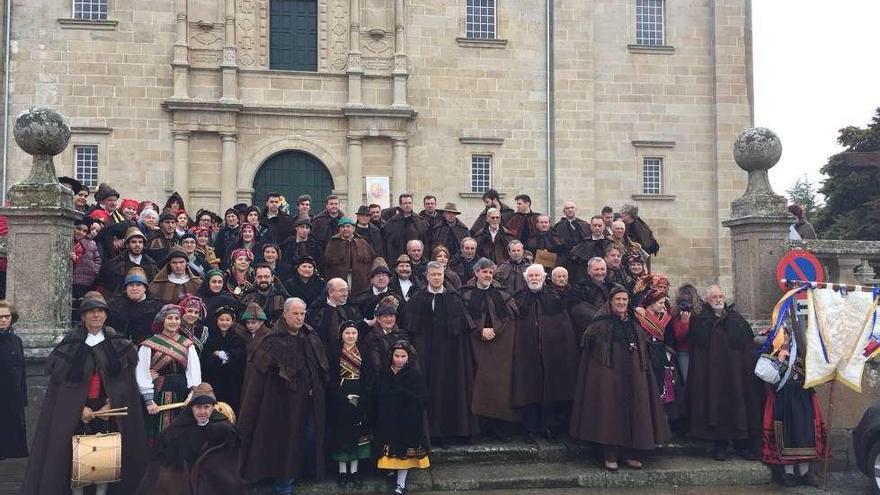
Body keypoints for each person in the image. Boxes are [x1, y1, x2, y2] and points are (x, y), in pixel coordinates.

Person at [22, 292, 149, 494]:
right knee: (74, 457)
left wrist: (111, 404)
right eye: (90, 312)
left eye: (99, 311)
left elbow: (125, 384)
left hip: (109, 411)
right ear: (83, 317)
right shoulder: (70, 344)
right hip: (77, 411)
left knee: (108, 456)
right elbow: (61, 386)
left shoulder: (119, 343)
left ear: (106, 315)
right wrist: (78, 408)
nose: (95, 316)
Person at [569, 286, 670, 471]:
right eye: (618, 300)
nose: (622, 303)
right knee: (610, 413)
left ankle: (627, 453)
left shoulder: (633, 323)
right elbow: (593, 355)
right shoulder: (599, 325)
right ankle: (610, 454)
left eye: (625, 300)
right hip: (608, 378)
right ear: (611, 302)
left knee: (633, 411)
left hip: (633, 376)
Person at [238, 298, 329, 495]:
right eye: (295, 313)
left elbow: (319, 368)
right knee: (282, 442)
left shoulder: (310, 336)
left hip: (308, 403)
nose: (299, 317)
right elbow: (258, 380)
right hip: (279, 406)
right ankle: (282, 485)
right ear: (285, 314)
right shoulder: (270, 341)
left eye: (302, 313)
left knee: (307, 439)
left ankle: (297, 476)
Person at [686, 285, 764, 461]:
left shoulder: (736, 319)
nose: (718, 299)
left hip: (736, 374)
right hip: (712, 376)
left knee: (739, 405)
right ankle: (720, 445)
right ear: (707, 299)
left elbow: (747, 342)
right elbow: (697, 346)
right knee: (716, 406)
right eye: (714, 296)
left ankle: (741, 445)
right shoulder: (700, 321)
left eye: (721, 296)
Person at [404, 261, 479, 444]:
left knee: (451, 389)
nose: (436, 278)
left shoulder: (454, 297)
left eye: (439, 275)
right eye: (433, 275)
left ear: (443, 276)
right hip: (425, 354)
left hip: (450, 354)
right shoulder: (418, 297)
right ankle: (431, 433)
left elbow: (462, 330)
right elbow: (411, 329)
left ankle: (452, 431)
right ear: (427, 276)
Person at [135, 383, 245, 495]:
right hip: (184, 473)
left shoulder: (223, 428)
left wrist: (203, 463)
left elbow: (231, 457)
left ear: (213, 407)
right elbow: (164, 443)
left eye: (207, 407)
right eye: (198, 407)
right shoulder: (181, 424)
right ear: (191, 407)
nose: (202, 412)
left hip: (211, 474)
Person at [512, 265, 578, 442]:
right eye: (531, 276)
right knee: (528, 390)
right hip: (526, 353)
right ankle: (530, 429)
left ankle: (549, 427)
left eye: (537, 275)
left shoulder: (553, 297)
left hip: (551, 353)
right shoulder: (518, 298)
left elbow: (563, 325)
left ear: (543, 277)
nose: (534, 278)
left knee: (550, 390)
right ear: (526, 279)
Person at [758, 322, 825, 487]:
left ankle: (805, 473)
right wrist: (780, 361)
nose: (784, 338)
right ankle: (788, 474)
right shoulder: (771, 354)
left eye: (786, 334)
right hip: (783, 399)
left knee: (804, 433)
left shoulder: (803, 352)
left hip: (802, 397)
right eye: (781, 335)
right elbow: (764, 374)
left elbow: (817, 369)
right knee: (785, 434)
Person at [460, 257, 520, 440]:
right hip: (474, 346)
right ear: (476, 273)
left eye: (490, 272)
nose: (487, 275)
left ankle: (498, 427)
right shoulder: (465, 293)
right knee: (474, 385)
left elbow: (509, 316)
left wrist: (495, 329)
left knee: (499, 387)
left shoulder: (502, 294)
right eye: (484, 271)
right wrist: (480, 330)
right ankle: (476, 429)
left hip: (498, 347)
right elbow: (463, 316)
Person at [138, 304, 203, 442]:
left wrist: (193, 393)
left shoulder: (187, 344)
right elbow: (142, 374)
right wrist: (149, 401)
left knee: (182, 431)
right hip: (160, 392)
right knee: (160, 431)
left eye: (177, 318)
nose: (174, 321)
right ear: (162, 320)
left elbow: (194, 371)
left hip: (183, 393)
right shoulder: (148, 345)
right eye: (170, 318)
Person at [373, 341, 430, 495]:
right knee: (390, 452)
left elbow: (423, 397)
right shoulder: (384, 373)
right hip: (388, 418)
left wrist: (405, 395)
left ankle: (401, 483)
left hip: (407, 420)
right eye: (396, 356)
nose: (399, 359)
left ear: (408, 357)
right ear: (391, 356)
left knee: (404, 454)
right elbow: (377, 393)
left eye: (403, 356)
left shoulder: (414, 375)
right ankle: (390, 473)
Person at [327, 321, 374, 488]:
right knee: (341, 433)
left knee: (358, 433)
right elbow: (330, 376)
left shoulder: (364, 351)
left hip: (360, 394)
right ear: (341, 334)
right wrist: (341, 396)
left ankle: (354, 470)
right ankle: (342, 470)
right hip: (340, 396)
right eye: (347, 333)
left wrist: (363, 397)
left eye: (353, 333)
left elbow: (369, 375)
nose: (350, 336)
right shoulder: (333, 351)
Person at [634, 288, 683, 422]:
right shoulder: (639, 318)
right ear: (650, 303)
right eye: (660, 303)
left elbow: (670, 336)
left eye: (663, 302)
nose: (663, 305)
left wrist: (668, 349)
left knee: (667, 389)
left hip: (664, 357)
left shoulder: (666, 318)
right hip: (647, 357)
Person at [201, 306, 246, 413]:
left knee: (231, 406)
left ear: (232, 321)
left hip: (232, 380)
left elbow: (241, 354)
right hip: (213, 378)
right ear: (217, 320)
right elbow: (206, 354)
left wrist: (224, 355)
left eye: (227, 320)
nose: (224, 323)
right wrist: (214, 358)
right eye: (221, 320)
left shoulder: (238, 338)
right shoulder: (210, 336)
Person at [107, 267, 164, 344]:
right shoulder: (114, 305)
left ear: (145, 288)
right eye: (131, 285)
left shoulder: (157, 306)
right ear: (126, 288)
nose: (134, 288)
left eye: (138, 285)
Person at [96, 227, 159, 296]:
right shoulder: (113, 265)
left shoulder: (151, 265)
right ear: (127, 244)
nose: (137, 245)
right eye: (133, 242)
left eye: (140, 242)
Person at [0, 300, 27, 461]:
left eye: (6, 316)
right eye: (0, 317)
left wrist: (22, 398)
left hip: (13, 395)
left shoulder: (16, 341)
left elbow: (21, 370)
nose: (3, 320)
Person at [324, 217, 376, 294]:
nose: (345, 229)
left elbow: (371, 260)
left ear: (353, 228)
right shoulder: (333, 243)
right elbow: (327, 263)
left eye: (348, 226)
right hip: (339, 277)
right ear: (339, 229)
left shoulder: (362, 242)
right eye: (342, 227)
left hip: (360, 279)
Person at [307, 277, 363, 346]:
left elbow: (359, 328)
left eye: (347, 290)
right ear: (330, 292)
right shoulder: (317, 309)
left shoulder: (352, 307)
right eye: (342, 291)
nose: (346, 294)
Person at [666, 283, 700, 384]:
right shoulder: (674, 314)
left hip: (698, 351)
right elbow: (679, 337)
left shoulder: (700, 313)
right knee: (687, 380)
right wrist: (684, 322)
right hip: (683, 351)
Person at [383, 193, 431, 260]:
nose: (408, 205)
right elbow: (389, 244)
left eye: (409, 203)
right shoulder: (392, 222)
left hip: (416, 259)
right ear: (400, 205)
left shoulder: (420, 221)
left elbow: (425, 242)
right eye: (405, 203)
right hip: (398, 259)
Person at [567, 215, 611, 284]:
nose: (597, 228)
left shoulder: (610, 244)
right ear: (590, 227)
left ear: (604, 226)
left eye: (599, 226)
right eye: (594, 225)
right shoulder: (583, 244)